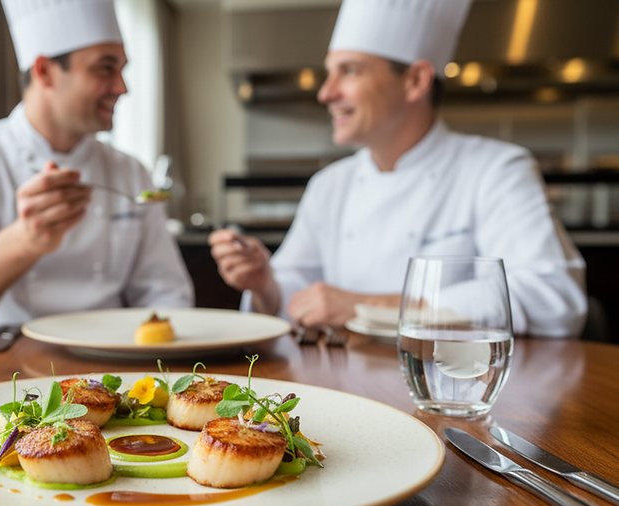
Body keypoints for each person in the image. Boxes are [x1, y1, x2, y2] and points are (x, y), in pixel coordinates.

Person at [210, 0, 587, 338]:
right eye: (330, 73)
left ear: (416, 80)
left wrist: (366, 307)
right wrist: (264, 283)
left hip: (455, 391)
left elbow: (553, 298)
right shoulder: (330, 185)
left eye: (350, 71)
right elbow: (296, 295)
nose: (326, 93)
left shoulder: (496, 170)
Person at [0, 0, 194, 326]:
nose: (122, 88)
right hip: (0, 358)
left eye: (122, 70)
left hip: (111, 362)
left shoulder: (130, 173)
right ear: (44, 72)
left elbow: (166, 293)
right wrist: (25, 240)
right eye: (105, 68)